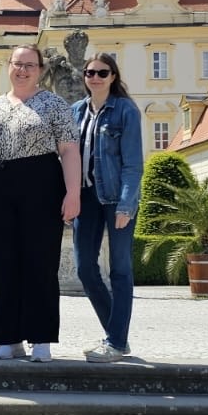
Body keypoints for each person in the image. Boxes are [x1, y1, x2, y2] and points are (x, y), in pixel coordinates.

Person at [0, 45, 80, 362]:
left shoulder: (54, 104)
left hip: (40, 181)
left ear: (41, 70)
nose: (23, 70)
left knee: (40, 261)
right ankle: (8, 338)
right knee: (1, 263)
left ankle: (41, 338)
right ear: (8, 66)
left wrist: (73, 193)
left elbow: (69, 150)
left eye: (30, 65)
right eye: (18, 64)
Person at [71, 52, 144, 363]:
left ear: (113, 76)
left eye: (102, 73)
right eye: (90, 72)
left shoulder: (125, 110)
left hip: (116, 199)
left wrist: (126, 205)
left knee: (120, 270)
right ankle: (118, 337)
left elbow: (133, 164)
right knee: (85, 269)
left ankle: (115, 341)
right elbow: (66, 158)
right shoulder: (76, 111)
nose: (95, 78)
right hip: (85, 197)